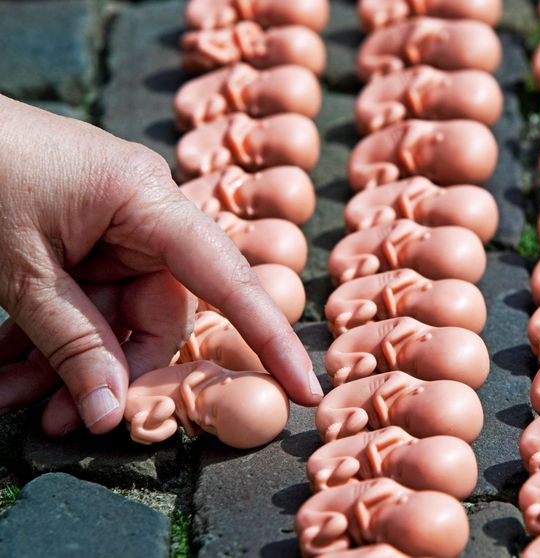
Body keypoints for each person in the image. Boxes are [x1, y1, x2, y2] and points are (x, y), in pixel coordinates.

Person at [0, 96, 323, 438]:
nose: (203, 417)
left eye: (208, 419)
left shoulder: (164, 390)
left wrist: (152, 421)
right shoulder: (186, 348)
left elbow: (140, 409)